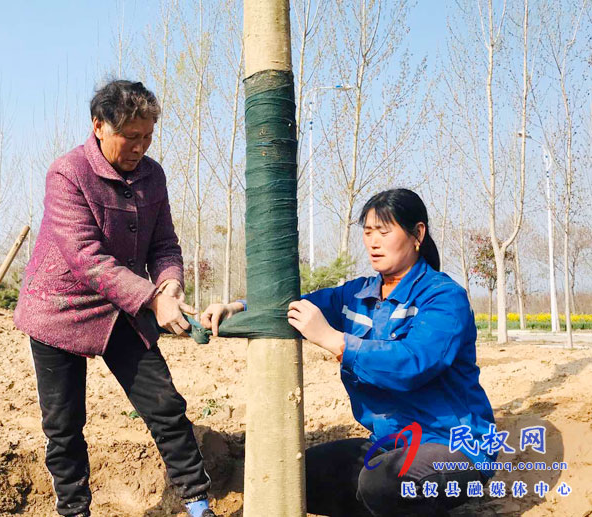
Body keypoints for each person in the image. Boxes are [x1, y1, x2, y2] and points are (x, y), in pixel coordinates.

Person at [202, 188, 496, 516]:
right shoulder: (357, 295)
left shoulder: (443, 298)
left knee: (382, 484)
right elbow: (296, 305)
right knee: (297, 479)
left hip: (453, 446)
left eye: (384, 232)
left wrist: (336, 341)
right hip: (392, 444)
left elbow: (413, 363)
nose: (373, 242)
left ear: (417, 234)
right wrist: (239, 307)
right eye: (368, 232)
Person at [14, 80, 216, 517]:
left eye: (148, 136)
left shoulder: (153, 176)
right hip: (60, 308)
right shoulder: (68, 172)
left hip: (124, 308)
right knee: (64, 425)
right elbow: (86, 258)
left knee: (165, 406)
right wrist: (151, 298)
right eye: (131, 136)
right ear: (100, 126)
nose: (140, 146)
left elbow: (164, 243)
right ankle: (74, 510)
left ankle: (199, 504)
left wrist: (169, 287)